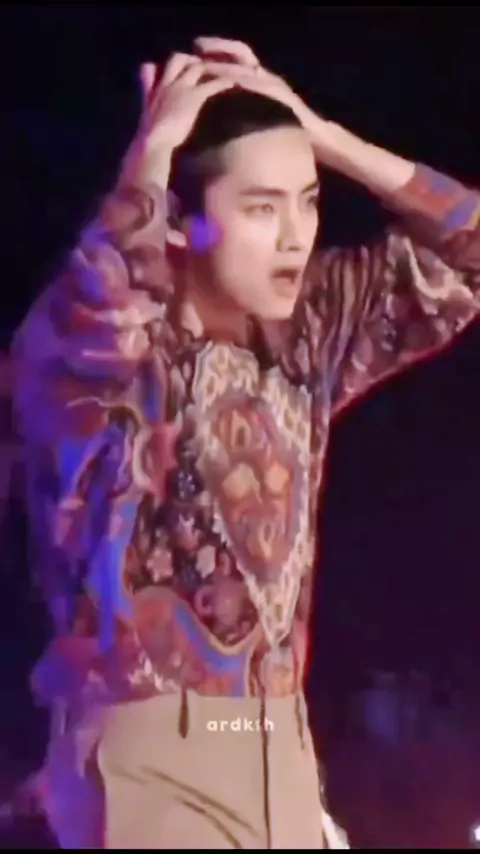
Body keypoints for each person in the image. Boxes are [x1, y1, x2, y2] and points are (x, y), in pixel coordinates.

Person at [11, 35, 480, 848]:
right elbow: (100, 299)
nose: (296, 235)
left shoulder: (310, 335)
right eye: (262, 208)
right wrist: (152, 154)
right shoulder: (107, 354)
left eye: (309, 201)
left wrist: (321, 133)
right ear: (180, 221)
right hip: (147, 765)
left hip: (282, 754)